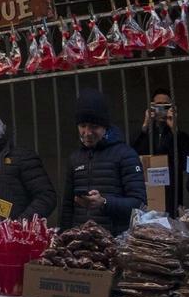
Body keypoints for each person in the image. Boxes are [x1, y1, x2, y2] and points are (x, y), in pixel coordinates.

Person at [61, 89, 148, 234]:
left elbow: (139, 204)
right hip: (80, 244)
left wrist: (104, 202)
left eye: (94, 127)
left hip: (115, 242)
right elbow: (67, 207)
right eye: (82, 126)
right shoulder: (74, 158)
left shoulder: (126, 155)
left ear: (105, 127)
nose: (87, 133)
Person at [132, 88, 189, 216]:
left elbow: (186, 163)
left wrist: (174, 130)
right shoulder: (146, 133)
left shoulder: (181, 136)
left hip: (172, 193)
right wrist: (145, 126)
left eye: (165, 106)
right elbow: (134, 156)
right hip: (149, 193)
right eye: (157, 106)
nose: (161, 110)